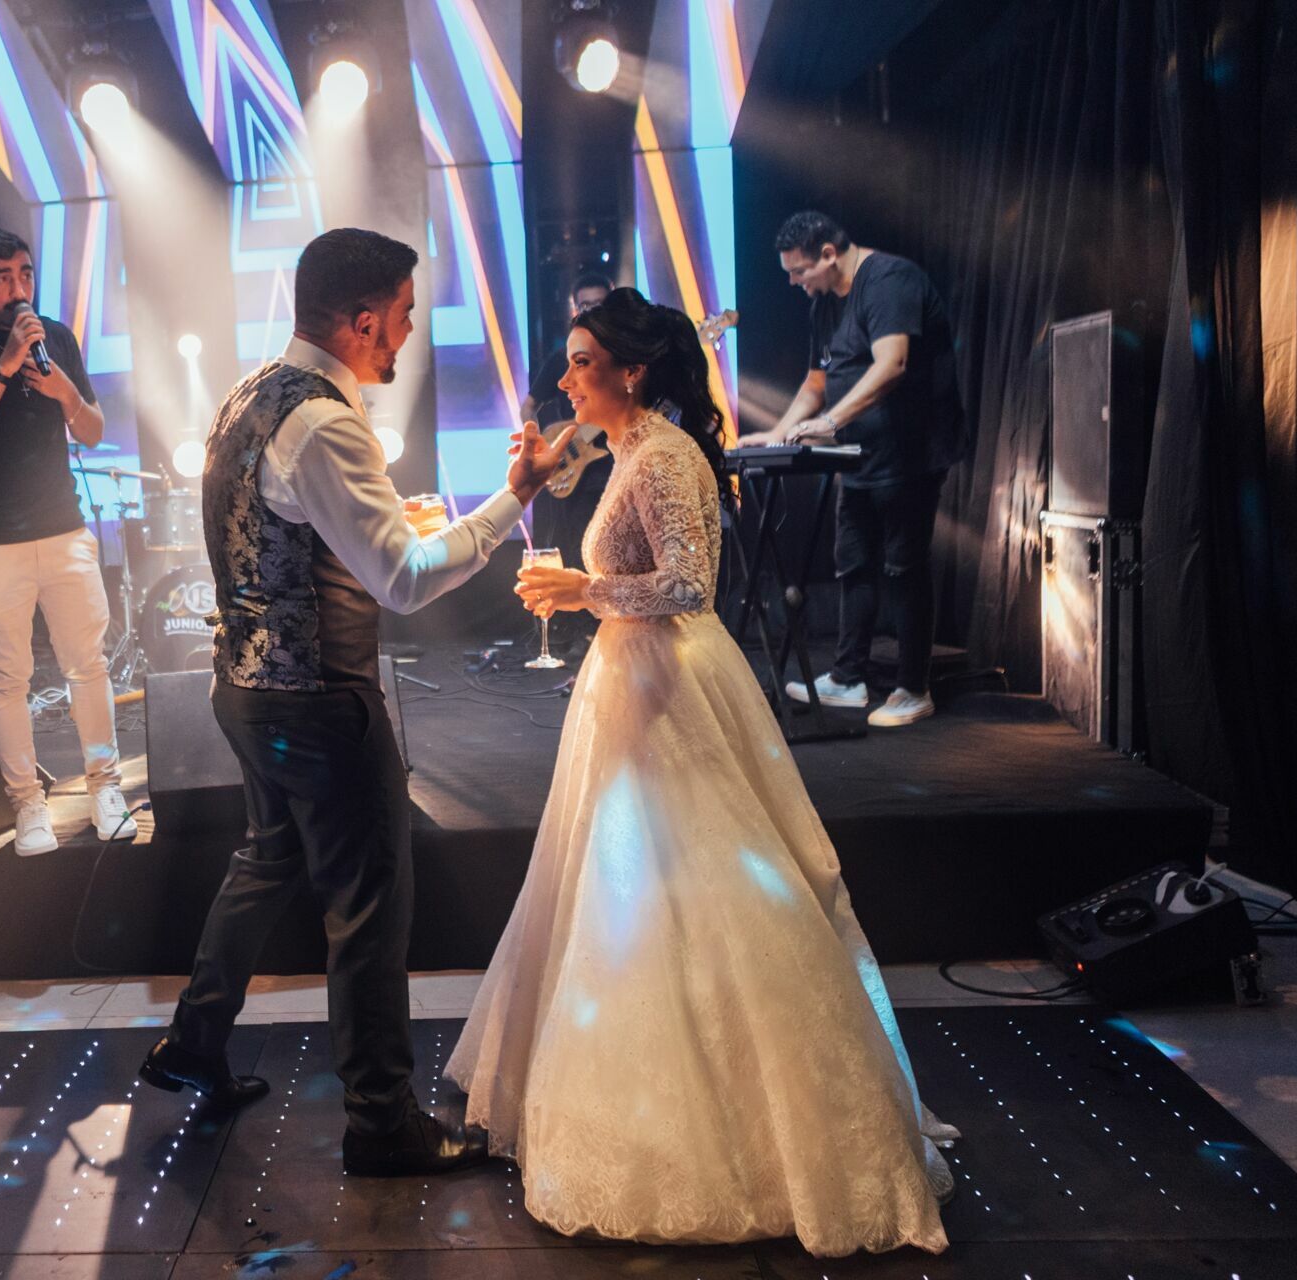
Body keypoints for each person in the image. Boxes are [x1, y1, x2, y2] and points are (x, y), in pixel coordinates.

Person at [446, 287, 955, 1256]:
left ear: (631, 370)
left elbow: (689, 584)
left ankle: (751, 1138)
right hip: (630, 683)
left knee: (696, 888)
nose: (565, 379)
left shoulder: (667, 452)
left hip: (669, 687)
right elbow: (592, 488)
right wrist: (537, 478)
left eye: (582, 362)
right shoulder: (631, 443)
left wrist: (582, 588)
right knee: (627, 892)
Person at [137, 228, 572, 1178]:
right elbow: (403, 582)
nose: (409, 334)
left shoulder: (254, 392)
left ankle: (194, 1042)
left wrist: (388, 526)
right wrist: (511, 501)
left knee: (267, 861)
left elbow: (292, 530)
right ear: (364, 320)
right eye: (405, 316)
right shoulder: (327, 424)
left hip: (244, 689)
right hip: (320, 705)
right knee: (370, 911)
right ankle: (382, 1123)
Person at [0, 225, 135, 855]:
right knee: (5, 679)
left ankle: (105, 788)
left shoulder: (55, 337)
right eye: (1, 277)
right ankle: (27, 804)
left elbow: (91, 431)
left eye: (25, 274)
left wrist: (63, 390)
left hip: (64, 529)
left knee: (88, 665)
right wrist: (5, 367)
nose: (18, 289)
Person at [741, 210, 965, 728]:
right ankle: (848, 678)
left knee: (904, 568)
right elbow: (816, 382)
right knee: (854, 563)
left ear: (828, 254)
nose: (794, 283)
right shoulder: (824, 304)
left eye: (800, 271)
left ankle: (913, 688)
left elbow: (892, 364)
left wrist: (830, 422)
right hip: (860, 456)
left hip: (910, 454)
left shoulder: (888, 281)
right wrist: (779, 433)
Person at [521, 272, 615, 654]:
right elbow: (530, 404)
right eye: (585, 305)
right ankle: (575, 630)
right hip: (577, 469)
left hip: (613, 465)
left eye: (599, 304)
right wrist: (536, 441)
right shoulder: (561, 359)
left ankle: (603, 628)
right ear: (574, 309)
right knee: (574, 543)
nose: (591, 311)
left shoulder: (621, 360)